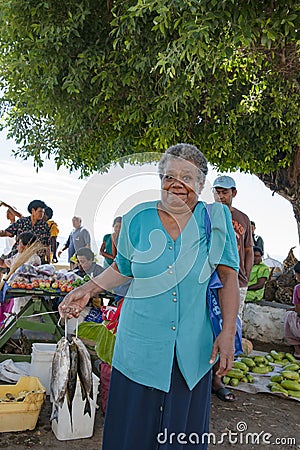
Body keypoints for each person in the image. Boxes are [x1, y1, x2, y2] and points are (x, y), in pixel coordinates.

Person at [59, 143, 240, 450]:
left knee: (180, 437)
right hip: (138, 345)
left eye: (187, 176)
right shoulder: (136, 218)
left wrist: (227, 331)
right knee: (132, 433)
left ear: (201, 184)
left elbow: (228, 278)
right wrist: (87, 289)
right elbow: (123, 268)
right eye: (169, 175)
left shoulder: (216, 218)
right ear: (160, 180)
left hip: (191, 351)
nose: (177, 183)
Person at [212, 175, 253, 402]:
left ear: (233, 193)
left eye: (225, 191)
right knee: (208, 324)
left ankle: (218, 379)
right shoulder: (207, 213)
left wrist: (245, 273)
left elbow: (248, 248)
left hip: (235, 282)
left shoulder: (242, 219)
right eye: (217, 191)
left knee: (229, 326)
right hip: (210, 281)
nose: (221, 195)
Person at [0, 232, 41, 321]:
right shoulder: (18, 256)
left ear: (27, 245)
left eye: (19, 243)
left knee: (20, 314)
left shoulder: (34, 259)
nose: (17, 246)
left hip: (24, 293)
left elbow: (29, 278)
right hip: (14, 292)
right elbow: (4, 263)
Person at [284, 261, 300, 358]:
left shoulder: (298, 288)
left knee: (289, 315)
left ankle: (298, 351)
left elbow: (298, 309)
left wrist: (294, 310)